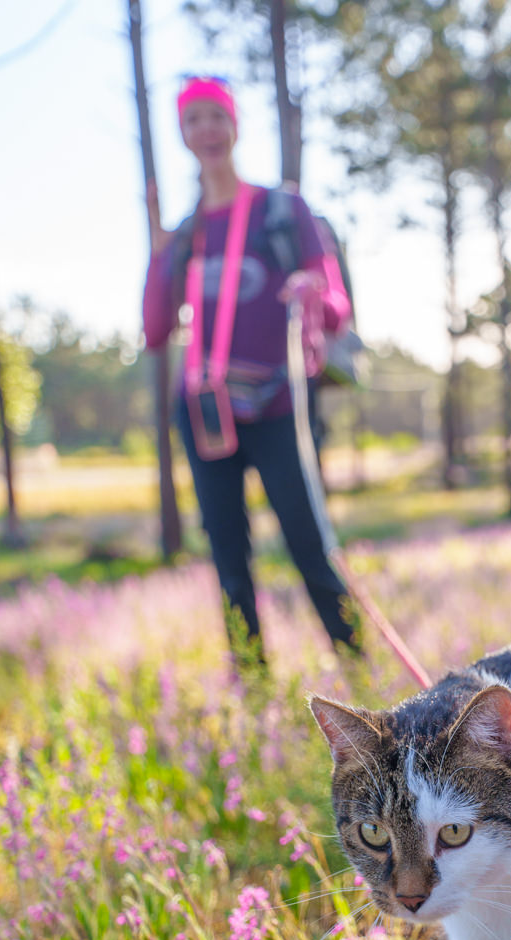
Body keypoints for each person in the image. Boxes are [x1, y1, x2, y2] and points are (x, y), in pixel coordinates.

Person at [143, 75, 360, 662]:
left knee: (309, 546)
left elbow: (336, 308)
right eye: (194, 120)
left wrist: (314, 288)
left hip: (277, 407)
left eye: (216, 116)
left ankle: (365, 681)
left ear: (235, 125)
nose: (207, 129)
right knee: (229, 563)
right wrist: (159, 249)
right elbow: (157, 330)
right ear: (183, 134)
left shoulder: (281, 211)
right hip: (206, 413)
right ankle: (254, 692)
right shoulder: (187, 232)